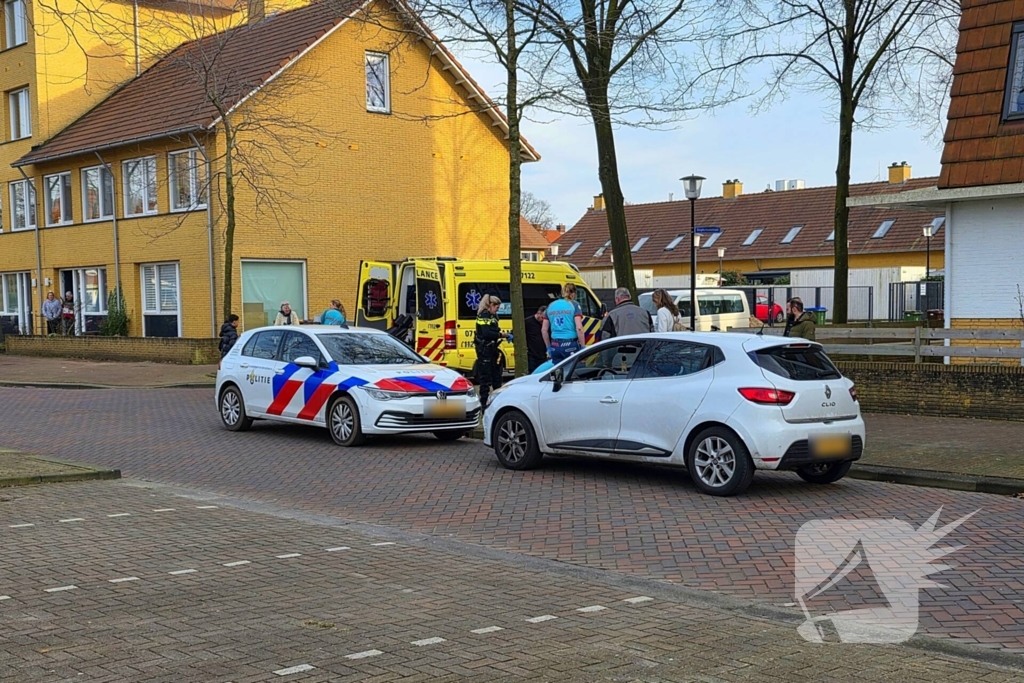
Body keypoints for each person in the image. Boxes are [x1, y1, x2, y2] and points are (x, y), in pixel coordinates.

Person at [474, 294, 506, 407]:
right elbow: (487, 333)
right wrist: (501, 335)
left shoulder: (493, 316)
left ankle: (498, 403)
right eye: (496, 307)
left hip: (492, 349)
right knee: (485, 380)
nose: (497, 310)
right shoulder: (484, 315)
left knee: (497, 377)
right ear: (491, 305)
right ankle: (484, 405)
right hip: (484, 351)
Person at [542, 283, 587, 364]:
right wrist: (583, 347)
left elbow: (544, 330)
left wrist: (548, 348)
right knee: (576, 373)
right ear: (573, 294)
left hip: (554, 346)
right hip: (570, 345)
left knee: (559, 373)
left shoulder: (550, 306)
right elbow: (579, 328)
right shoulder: (574, 305)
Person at [524, 305, 548, 373]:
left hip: (543, 355)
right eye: (543, 317)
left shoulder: (545, 323)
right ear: (538, 313)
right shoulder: (527, 322)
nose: (544, 320)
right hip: (531, 355)